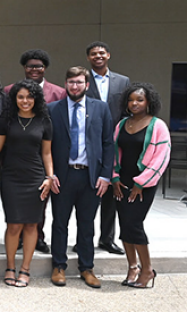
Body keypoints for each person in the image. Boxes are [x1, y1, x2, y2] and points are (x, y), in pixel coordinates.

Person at [49, 66, 114, 289]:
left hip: (91, 177)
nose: (74, 86)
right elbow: (46, 146)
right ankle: (58, 265)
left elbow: (108, 143)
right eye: (71, 82)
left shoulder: (101, 108)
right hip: (62, 176)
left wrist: (106, 175)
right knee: (60, 222)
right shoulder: (53, 109)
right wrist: (50, 175)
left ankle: (87, 267)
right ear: (65, 84)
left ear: (87, 85)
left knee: (86, 224)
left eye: (79, 82)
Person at [0, 79, 54, 288]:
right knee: (13, 225)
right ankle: (10, 267)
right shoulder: (6, 120)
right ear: (14, 98)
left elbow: (46, 153)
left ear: (35, 98)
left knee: (31, 225)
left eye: (29, 96)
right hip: (11, 178)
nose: (25, 101)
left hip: (35, 178)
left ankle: (25, 269)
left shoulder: (44, 121)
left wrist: (49, 177)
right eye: (20, 97)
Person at [4, 49, 65, 254]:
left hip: (42, 150)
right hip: (15, 158)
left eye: (38, 66)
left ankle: (38, 236)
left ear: (45, 68)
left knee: (39, 204)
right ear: (24, 68)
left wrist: (51, 172)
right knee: (15, 214)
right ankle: (18, 239)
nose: (34, 69)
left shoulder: (58, 92)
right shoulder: (10, 90)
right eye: (30, 66)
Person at [111, 83, 170, 288]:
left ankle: (147, 270)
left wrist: (141, 183)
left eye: (139, 100)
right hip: (122, 183)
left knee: (134, 224)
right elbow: (114, 153)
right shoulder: (122, 124)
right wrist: (115, 178)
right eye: (131, 99)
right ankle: (132, 267)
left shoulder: (157, 126)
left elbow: (161, 159)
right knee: (124, 225)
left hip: (143, 184)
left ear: (148, 102)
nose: (134, 103)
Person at [85, 41, 131, 255]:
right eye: (93, 54)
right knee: (87, 194)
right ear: (88, 58)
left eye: (101, 53)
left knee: (112, 194)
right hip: (88, 143)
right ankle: (84, 238)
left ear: (109, 55)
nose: (98, 56)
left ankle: (107, 239)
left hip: (114, 143)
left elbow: (126, 110)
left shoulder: (123, 81)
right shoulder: (82, 80)